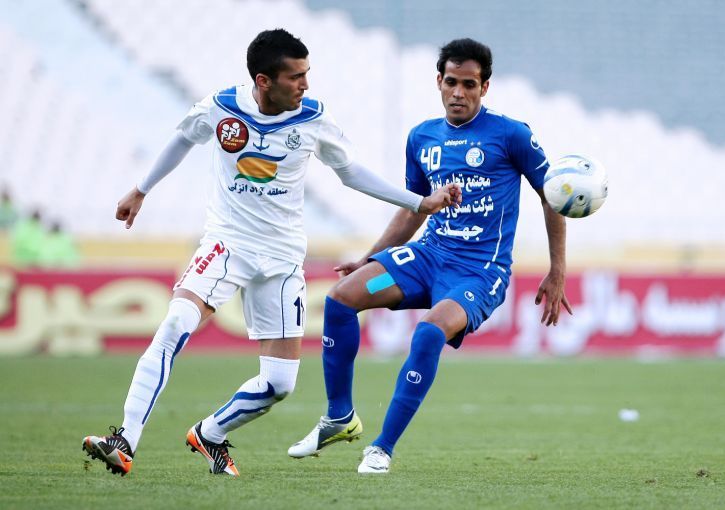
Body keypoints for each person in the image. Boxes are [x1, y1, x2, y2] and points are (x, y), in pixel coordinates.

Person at [82, 29, 459, 477]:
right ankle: (124, 440)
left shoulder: (313, 117)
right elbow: (183, 138)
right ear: (264, 81)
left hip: (282, 258)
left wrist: (419, 202)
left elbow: (351, 172)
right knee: (176, 323)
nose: (305, 85)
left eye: (306, 74)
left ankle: (210, 434)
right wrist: (141, 189)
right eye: (295, 77)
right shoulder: (222, 107)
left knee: (280, 383)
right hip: (228, 243)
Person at [288, 38, 572, 473]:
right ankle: (339, 416)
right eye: (452, 82)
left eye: (470, 85)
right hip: (425, 258)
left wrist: (557, 269)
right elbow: (413, 209)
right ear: (439, 81)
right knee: (341, 298)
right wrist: (370, 258)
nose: (459, 92)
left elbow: (551, 195)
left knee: (428, 332)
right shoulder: (421, 137)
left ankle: (381, 448)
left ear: (485, 87)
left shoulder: (512, 134)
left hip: (478, 273)